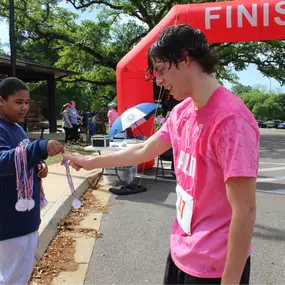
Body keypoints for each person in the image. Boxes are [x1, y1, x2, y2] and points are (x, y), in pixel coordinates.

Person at [64, 24, 259, 284]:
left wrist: (231, 280)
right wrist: (91, 161)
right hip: (182, 251)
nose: (158, 80)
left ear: (186, 60)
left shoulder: (231, 120)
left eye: (161, 70)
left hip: (216, 267)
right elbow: (144, 149)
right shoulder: (182, 113)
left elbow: (244, 210)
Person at [0, 77, 64, 285]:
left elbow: (22, 160)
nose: (25, 107)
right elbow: (3, 161)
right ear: (1, 101)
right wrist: (39, 148)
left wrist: (40, 167)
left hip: (23, 220)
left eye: (27, 102)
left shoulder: (16, 127)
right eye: (19, 102)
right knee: (13, 279)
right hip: (10, 224)